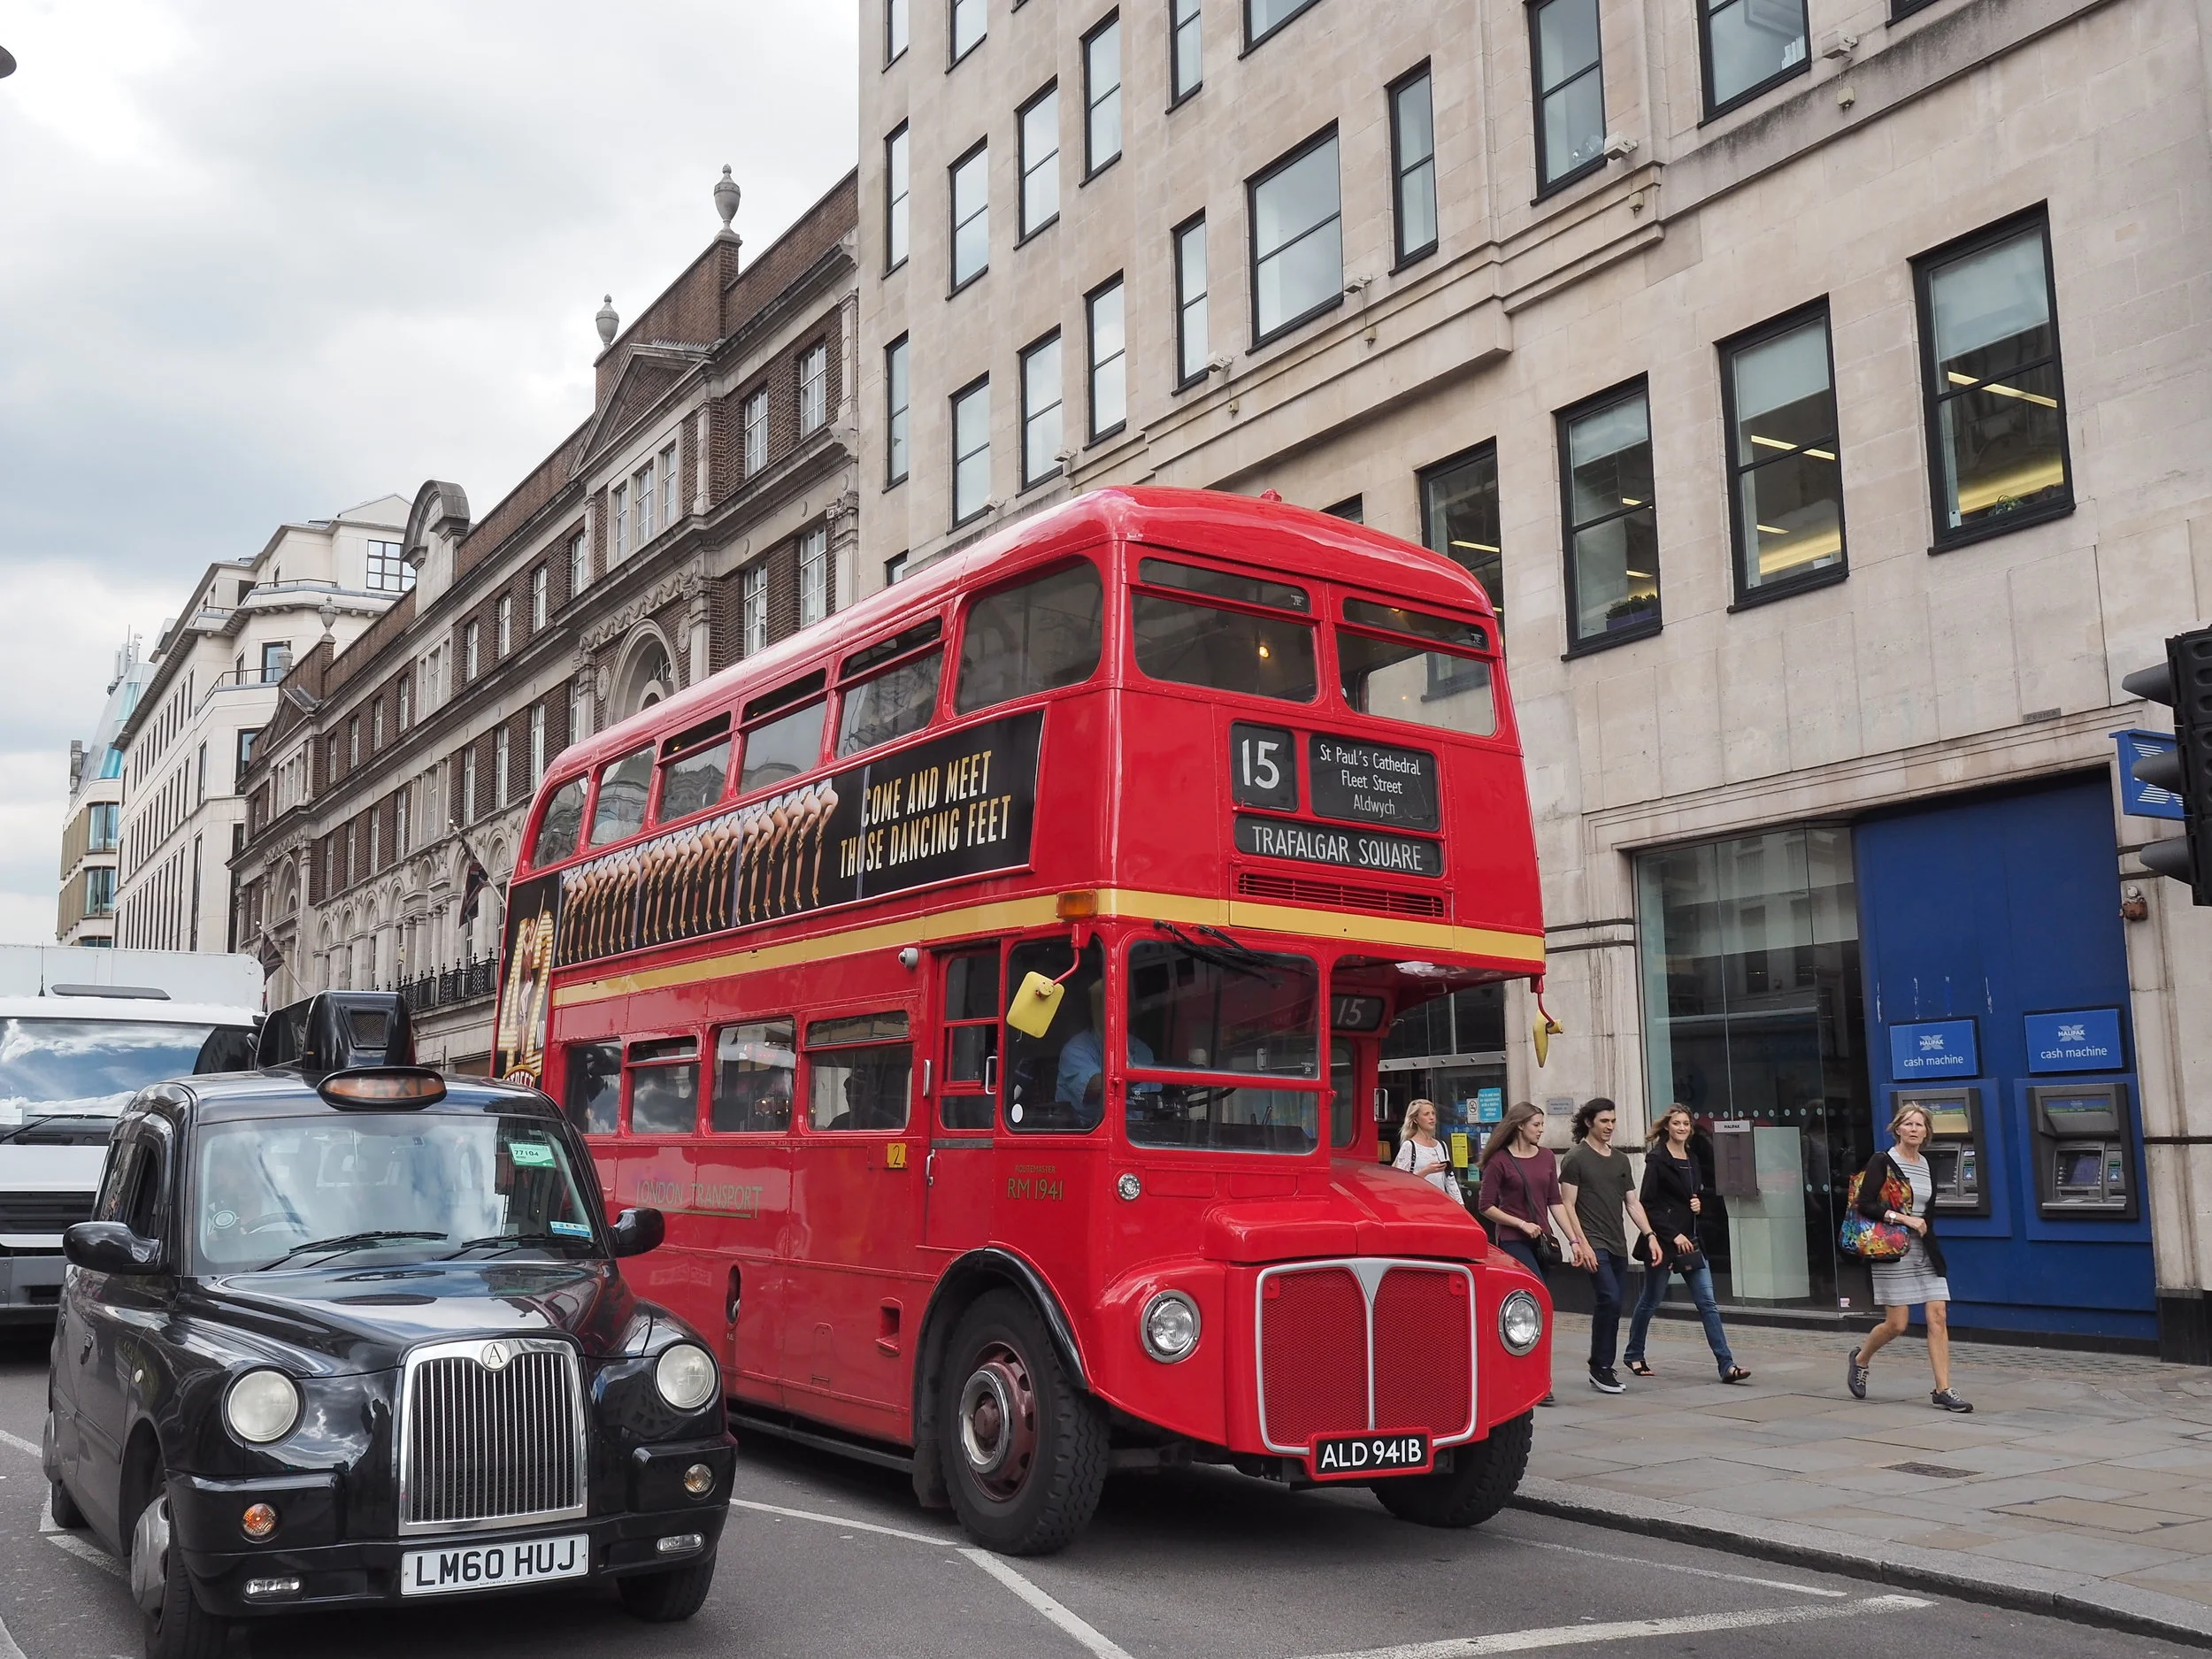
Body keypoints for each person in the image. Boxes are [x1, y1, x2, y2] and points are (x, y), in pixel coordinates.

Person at [1847, 1103, 1972, 1412]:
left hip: (1923, 1249)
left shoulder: (1926, 1164)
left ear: (1927, 1132)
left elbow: (1928, 1210)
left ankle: (1943, 1389)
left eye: (1921, 1125)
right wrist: (1904, 1220)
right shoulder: (1883, 1161)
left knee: (1938, 1316)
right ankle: (1861, 1359)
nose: (1915, 1129)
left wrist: (1923, 1230)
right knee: (1897, 1324)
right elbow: (1864, 1203)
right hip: (1892, 1248)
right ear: (1897, 1129)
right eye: (1909, 1124)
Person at [1623, 1105, 1751, 1385]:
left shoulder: (1692, 1158)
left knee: (1707, 1303)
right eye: (1677, 1123)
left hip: (1692, 1240)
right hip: (1666, 1242)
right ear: (1667, 1127)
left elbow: (1690, 1197)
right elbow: (1649, 1204)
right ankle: (1634, 1353)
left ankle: (1726, 1365)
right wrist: (1671, 1235)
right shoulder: (1657, 1159)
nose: (1682, 1128)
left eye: (1686, 1124)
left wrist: (1697, 1204)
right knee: (1651, 1299)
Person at [1559, 1098, 1663, 1394]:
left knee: (1614, 1305)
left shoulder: (1620, 1160)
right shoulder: (1575, 1158)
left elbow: (1632, 1203)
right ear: (1589, 1122)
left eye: (1613, 1121)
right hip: (1594, 1242)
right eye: (1604, 1121)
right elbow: (1568, 1204)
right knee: (1611, 1299)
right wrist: (1581, 1244)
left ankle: (1602, 1364)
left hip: (1618, 1243)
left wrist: (1650, 1235)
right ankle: (1601, 1366)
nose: (1610, 1127)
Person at [1056, 977, 1156, 1114]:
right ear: (1092, 1011)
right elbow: (1097, 1087)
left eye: (1121, 1003)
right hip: (1089, 1130)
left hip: (1138, 1131)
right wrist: (1142, 1074)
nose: (1114, 1010)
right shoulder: (1074, 1049)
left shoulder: (1143, 1050)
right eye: (1106, 1004)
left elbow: (1156, 1099)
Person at [1391, 1099, 1462, 1202]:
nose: (1432, 1117)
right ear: (1415, 1120)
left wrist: (1460, 1204)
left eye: (1433, 1113)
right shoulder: (1410, 1146)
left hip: (1440, 1203)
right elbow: (1401, 1182)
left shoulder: (1441, 1145)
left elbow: (1450, 1179)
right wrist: (1426, 1171)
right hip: (1417, 1204)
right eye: (1426, 1114)